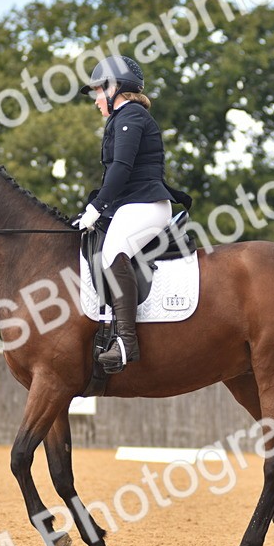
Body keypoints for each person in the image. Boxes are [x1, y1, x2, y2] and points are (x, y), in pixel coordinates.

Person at [74, 56, 192, 373]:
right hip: (131, 205)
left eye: (99, 91)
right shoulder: (121, 119)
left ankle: (126, 341)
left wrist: (96, 207)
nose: (96, 99)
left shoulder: (132, 116)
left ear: (116, 89)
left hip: (147, 205)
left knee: (114, 251)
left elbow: (121, 169)